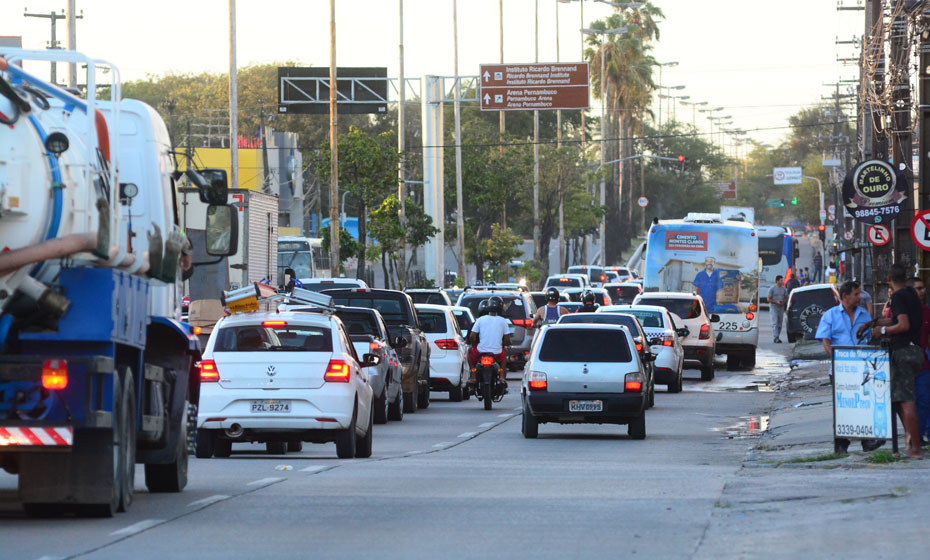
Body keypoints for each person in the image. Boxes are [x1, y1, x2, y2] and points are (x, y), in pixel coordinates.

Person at [858, 264, 925, 459]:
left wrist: (882, 332)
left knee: (906, 401)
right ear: (905, 277)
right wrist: (873, 323)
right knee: (899, 399)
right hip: (915, 350)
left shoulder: (897, 297)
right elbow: (898, 319)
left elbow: (903, 325)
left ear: (888, 279)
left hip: (903, 351)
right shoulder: (911, 294)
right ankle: (911, 442)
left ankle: (916, 449)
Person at [815, 280, 883, 452]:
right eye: (856, 294)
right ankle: (841, 443)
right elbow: (826, 340)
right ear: (845, 296)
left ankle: (866, 441)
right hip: (840, 370)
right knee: (842, 406)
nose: (860, 297)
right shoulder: (830, 315)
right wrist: (838, 359)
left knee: (864, 404)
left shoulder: (864, 315)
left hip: (863, 369)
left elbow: (870, 338)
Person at [468, 296, 512, 385]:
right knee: (504, 359)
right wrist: (502, 345)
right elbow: (507, 340)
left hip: (480, 351)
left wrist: (473, 346)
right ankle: (502, 377)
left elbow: (472, 336)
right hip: (497, 352)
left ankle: (473, 374)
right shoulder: (503, 321)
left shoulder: (480, 320)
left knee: (469, 354)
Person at [907, 277, 930, 445]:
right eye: (919, 288)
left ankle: (919, 436)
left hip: (923, 363)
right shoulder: (901, 312)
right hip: (904, 365)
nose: (922, 291)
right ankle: (912, 437)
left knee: (924, 399)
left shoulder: (927, 312)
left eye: (923, 288)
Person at [767, 275, 788, 343]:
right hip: (774, 308)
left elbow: (785, 297)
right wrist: (776, 302)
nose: (782, 281)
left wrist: (783, 302)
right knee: (775, 323)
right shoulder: (772, 288)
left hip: (781, 308)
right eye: (781, 280)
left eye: (782, 280)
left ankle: (777, 337)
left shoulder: (783, 289)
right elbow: (768, 299)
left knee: (779, 324)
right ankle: (776, 337)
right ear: (777, 281)